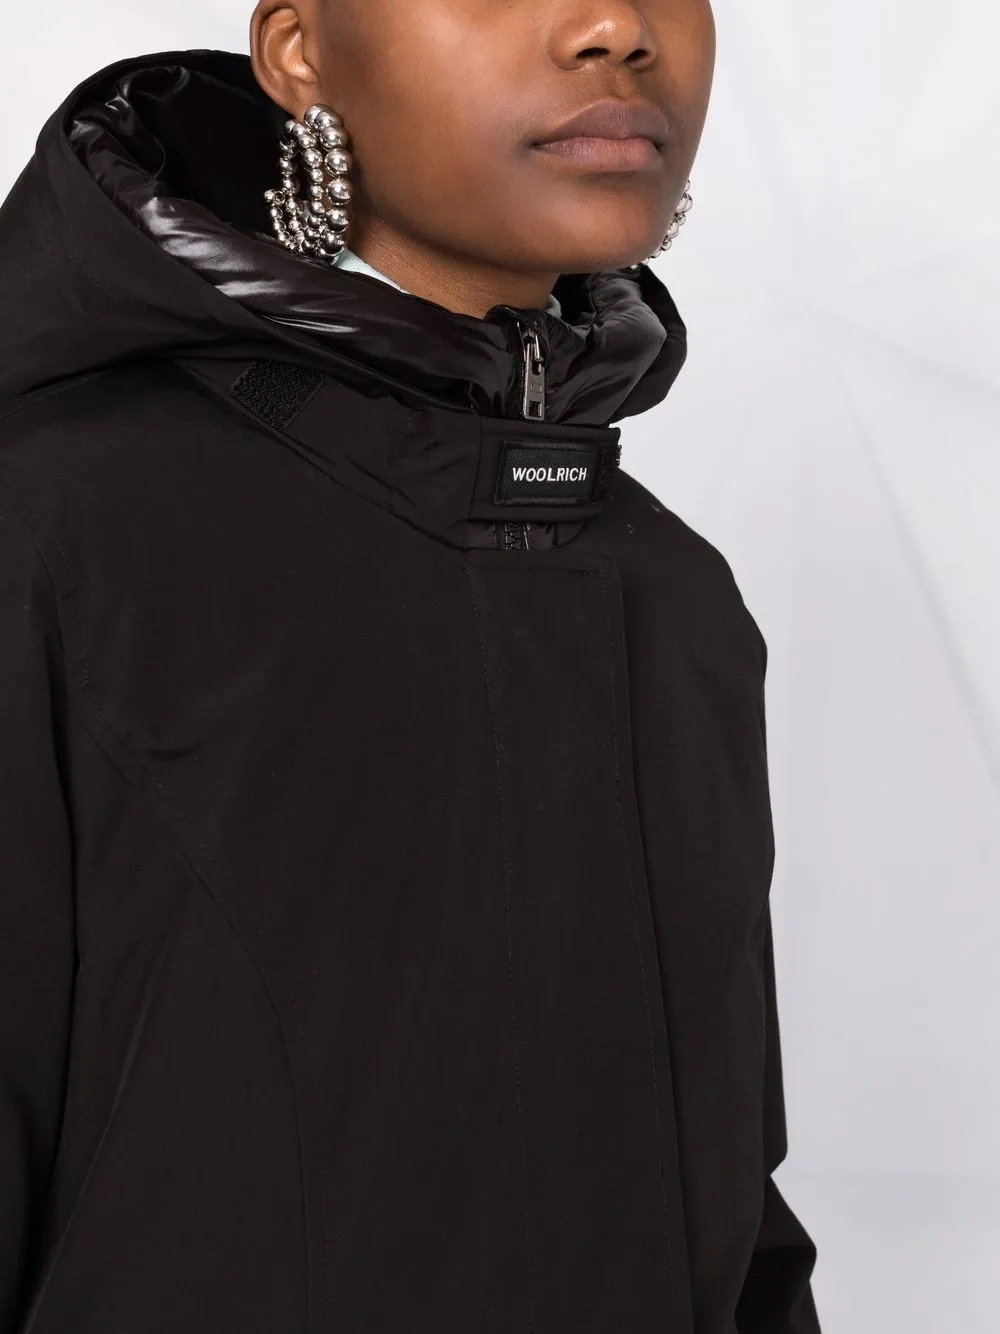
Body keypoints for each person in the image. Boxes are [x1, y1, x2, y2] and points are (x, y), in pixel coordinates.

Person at [0, 1, 822, 1330]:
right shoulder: (51, 534)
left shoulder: (677, 599)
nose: (616, 28)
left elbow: (732, 1222)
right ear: (299, 52)